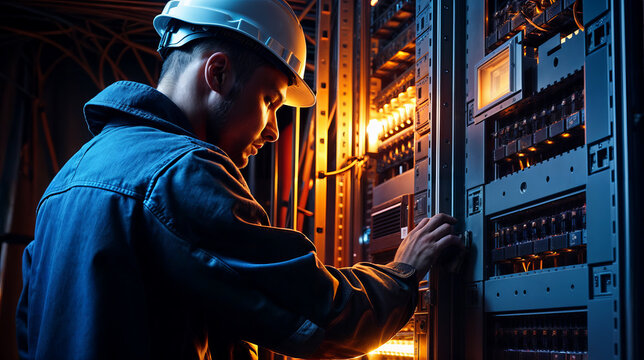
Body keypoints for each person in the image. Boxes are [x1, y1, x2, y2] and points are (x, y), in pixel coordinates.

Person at [16, 0, 462, 359]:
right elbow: (321, 315)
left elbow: (29, 334)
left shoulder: (65, 182)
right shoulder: (182, 172)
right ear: (218, 73)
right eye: (269, 101)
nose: (272, 130)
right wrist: (402, 274)